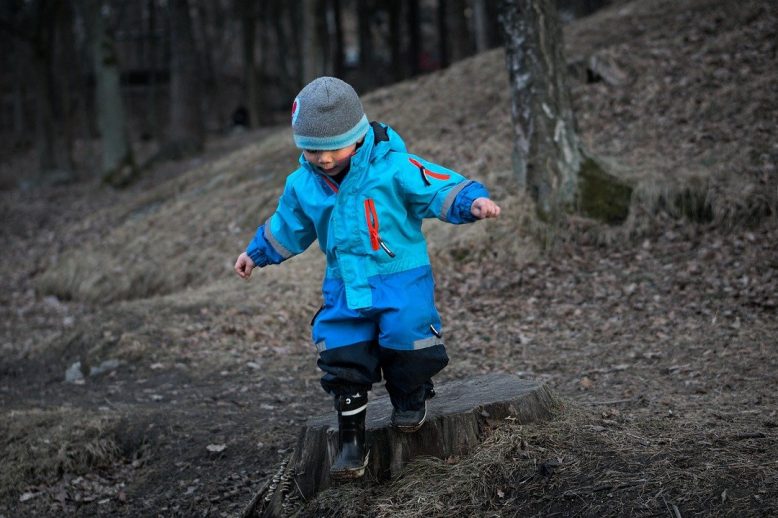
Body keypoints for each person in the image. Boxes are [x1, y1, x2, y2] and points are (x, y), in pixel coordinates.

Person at [234, 77, 500, 480]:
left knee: (409, 340)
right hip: (344, 283)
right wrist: (256, 253)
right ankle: (351, 441)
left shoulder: (393, 166)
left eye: (333, 149)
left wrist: (470, 201)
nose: (323, 160)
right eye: (311, 150)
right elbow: (288, 225)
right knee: (342, 353)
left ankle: (410, 395)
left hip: (401, 277)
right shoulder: (303, 183)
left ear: (357, 137)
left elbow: (435, 186)